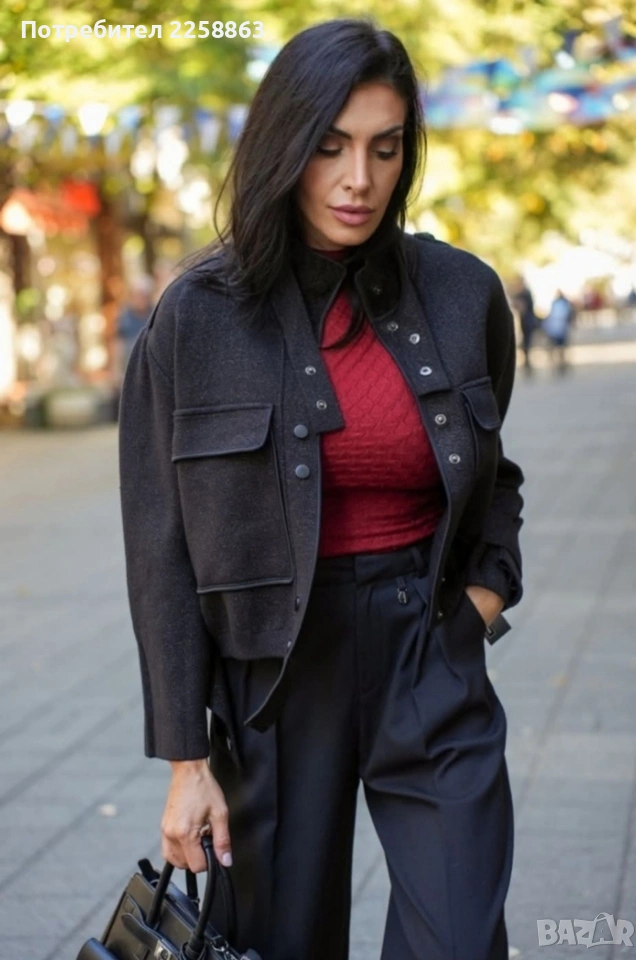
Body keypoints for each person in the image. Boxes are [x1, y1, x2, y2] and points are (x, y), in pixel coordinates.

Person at [118, 17, 525, 960]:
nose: (359, 180)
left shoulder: (461, 293)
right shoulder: (196, 316)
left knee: (460, 939)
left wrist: (483, 597)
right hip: (274, 679)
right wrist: (186, 759)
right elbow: (160, 545)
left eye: (385, 148)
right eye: (329, 146)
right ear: (283, 146)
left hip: (426, 648)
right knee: (283, 940)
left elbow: (490, 474)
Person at [114, 274, 156, 386]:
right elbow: (118, 344)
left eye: (143, 295)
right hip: (129, 364)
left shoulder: (156, 314)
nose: (140, 299)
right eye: (137, 295)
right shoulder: (125, 315)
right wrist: (116, 372)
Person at [543, 288, 576, 373]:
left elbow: (569, 314)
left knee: (561, 347)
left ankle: (562, 363)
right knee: (557, 346)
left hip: (561, 327)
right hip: (556, 328)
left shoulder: (564, 303)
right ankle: (558, 363)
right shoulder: (555, 303)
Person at [510, 275, 538, 375]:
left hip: (528, 322)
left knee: (527, 342)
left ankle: (528, 362)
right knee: (525, 343)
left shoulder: (525, 293)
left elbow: (524, 308)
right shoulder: (520, 293)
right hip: (524, 322)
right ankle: (527, 362)